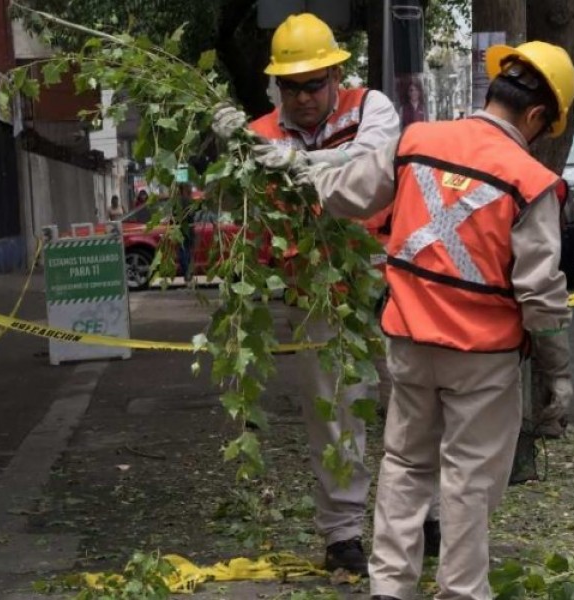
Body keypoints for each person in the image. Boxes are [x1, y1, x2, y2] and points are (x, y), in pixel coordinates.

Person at [287, 41, 574, 600]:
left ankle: (390, 587)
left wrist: (296, 168)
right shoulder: (529, 180)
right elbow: (540, 292)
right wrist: (555, 373)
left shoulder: (416, 142)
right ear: (538, 116)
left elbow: (345, 193)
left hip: (409, 341)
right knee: (468, 478)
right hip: (482, 357)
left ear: (494, 91)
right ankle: (463, 591)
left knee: (404, 463)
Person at [212, 12, 401, 575]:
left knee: (413, 401)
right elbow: (233, 206)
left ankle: (426, 517)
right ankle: (343, 534)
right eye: (289, 87)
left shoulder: (373, 108)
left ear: (336, 75)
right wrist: (231, 150)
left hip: (387, 277)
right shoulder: (260, 137)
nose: (301, 98)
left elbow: (370, 163)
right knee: (334, 413)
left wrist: (297, 162)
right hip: (317, 289)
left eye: (313, 84)